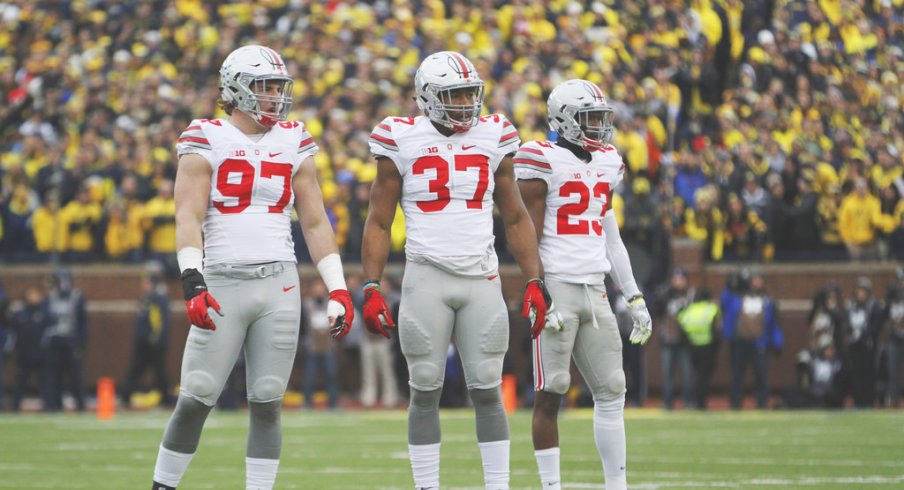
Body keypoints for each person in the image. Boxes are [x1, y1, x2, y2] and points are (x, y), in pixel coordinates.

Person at [151, 45, 354, 490]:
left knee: (267, 400)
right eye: (265, 87)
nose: (275, 97)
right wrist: (191, 278)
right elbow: (187, 215)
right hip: (222, 280)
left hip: (279, 281)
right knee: (196, 396)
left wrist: (337, 287)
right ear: (235, 89)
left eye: (279, 87)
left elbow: (316, 220)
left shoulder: (293, 139)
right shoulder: (206, 135)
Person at [360, 51, 554, 490]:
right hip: (426, 275)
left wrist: (535, 279)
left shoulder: (495, 133)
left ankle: (498, 486)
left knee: (487, 389)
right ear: (427, 98)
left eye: (471, 93)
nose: (467, 103)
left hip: (480, 276)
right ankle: (428, 486)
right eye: (455, 94)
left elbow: (517, 217)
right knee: (424, 388)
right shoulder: (400, 137)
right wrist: (371, 284)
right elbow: (378, 218)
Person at [514, 79, 653, 490]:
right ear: (564, 119)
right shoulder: (541, 158)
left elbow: (611, 237)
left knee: (612, 390)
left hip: (595, 290)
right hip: (557, 285)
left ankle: (616, 485)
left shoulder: (608, 161)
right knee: (551, 391)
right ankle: (551, 487)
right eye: (589, 118)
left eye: (600, 117)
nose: (598, 126)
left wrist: (634, 294)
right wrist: (537, 288)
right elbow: (527, 234)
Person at [722, 269, 783, 409]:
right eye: (754, 280)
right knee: (737, 375)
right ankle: (735, 403)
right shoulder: (738, 297)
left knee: (761, 375)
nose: (756, 283)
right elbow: (726, 304)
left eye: (759, 280)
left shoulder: (768, 301)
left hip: (760, 342)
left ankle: (762, 403)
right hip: (740, 341)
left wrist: (778, 341)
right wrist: (730, 286)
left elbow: (775, 323)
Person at [121, 266, 172, 408]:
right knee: (135, 370)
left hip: (154, 343)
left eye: (146, 282)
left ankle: (166, 400)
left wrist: (156, 339)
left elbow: (162, 321)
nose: (143, 285)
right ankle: (125, 397)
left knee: (159, 372)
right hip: (142, 343)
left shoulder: (159, 299)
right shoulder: (145, 298)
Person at [45, 267, 88, 411]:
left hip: (71, 341)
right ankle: (53, 405)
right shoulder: (50, 297)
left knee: (76, 376)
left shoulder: (77, 297)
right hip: (54, 341)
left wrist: (81, 343)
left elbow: (83, 323)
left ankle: (80, 405)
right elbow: (45, 321)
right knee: (53, 376)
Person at [677, 288, 721, 410]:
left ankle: (695, 400)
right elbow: (716, 330)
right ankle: (701, 402)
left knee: (695, 375)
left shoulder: (690, 310)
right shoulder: (711, 309)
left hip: (692, 346)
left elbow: (681, 322)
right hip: (707, 346)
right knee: (704, 376)